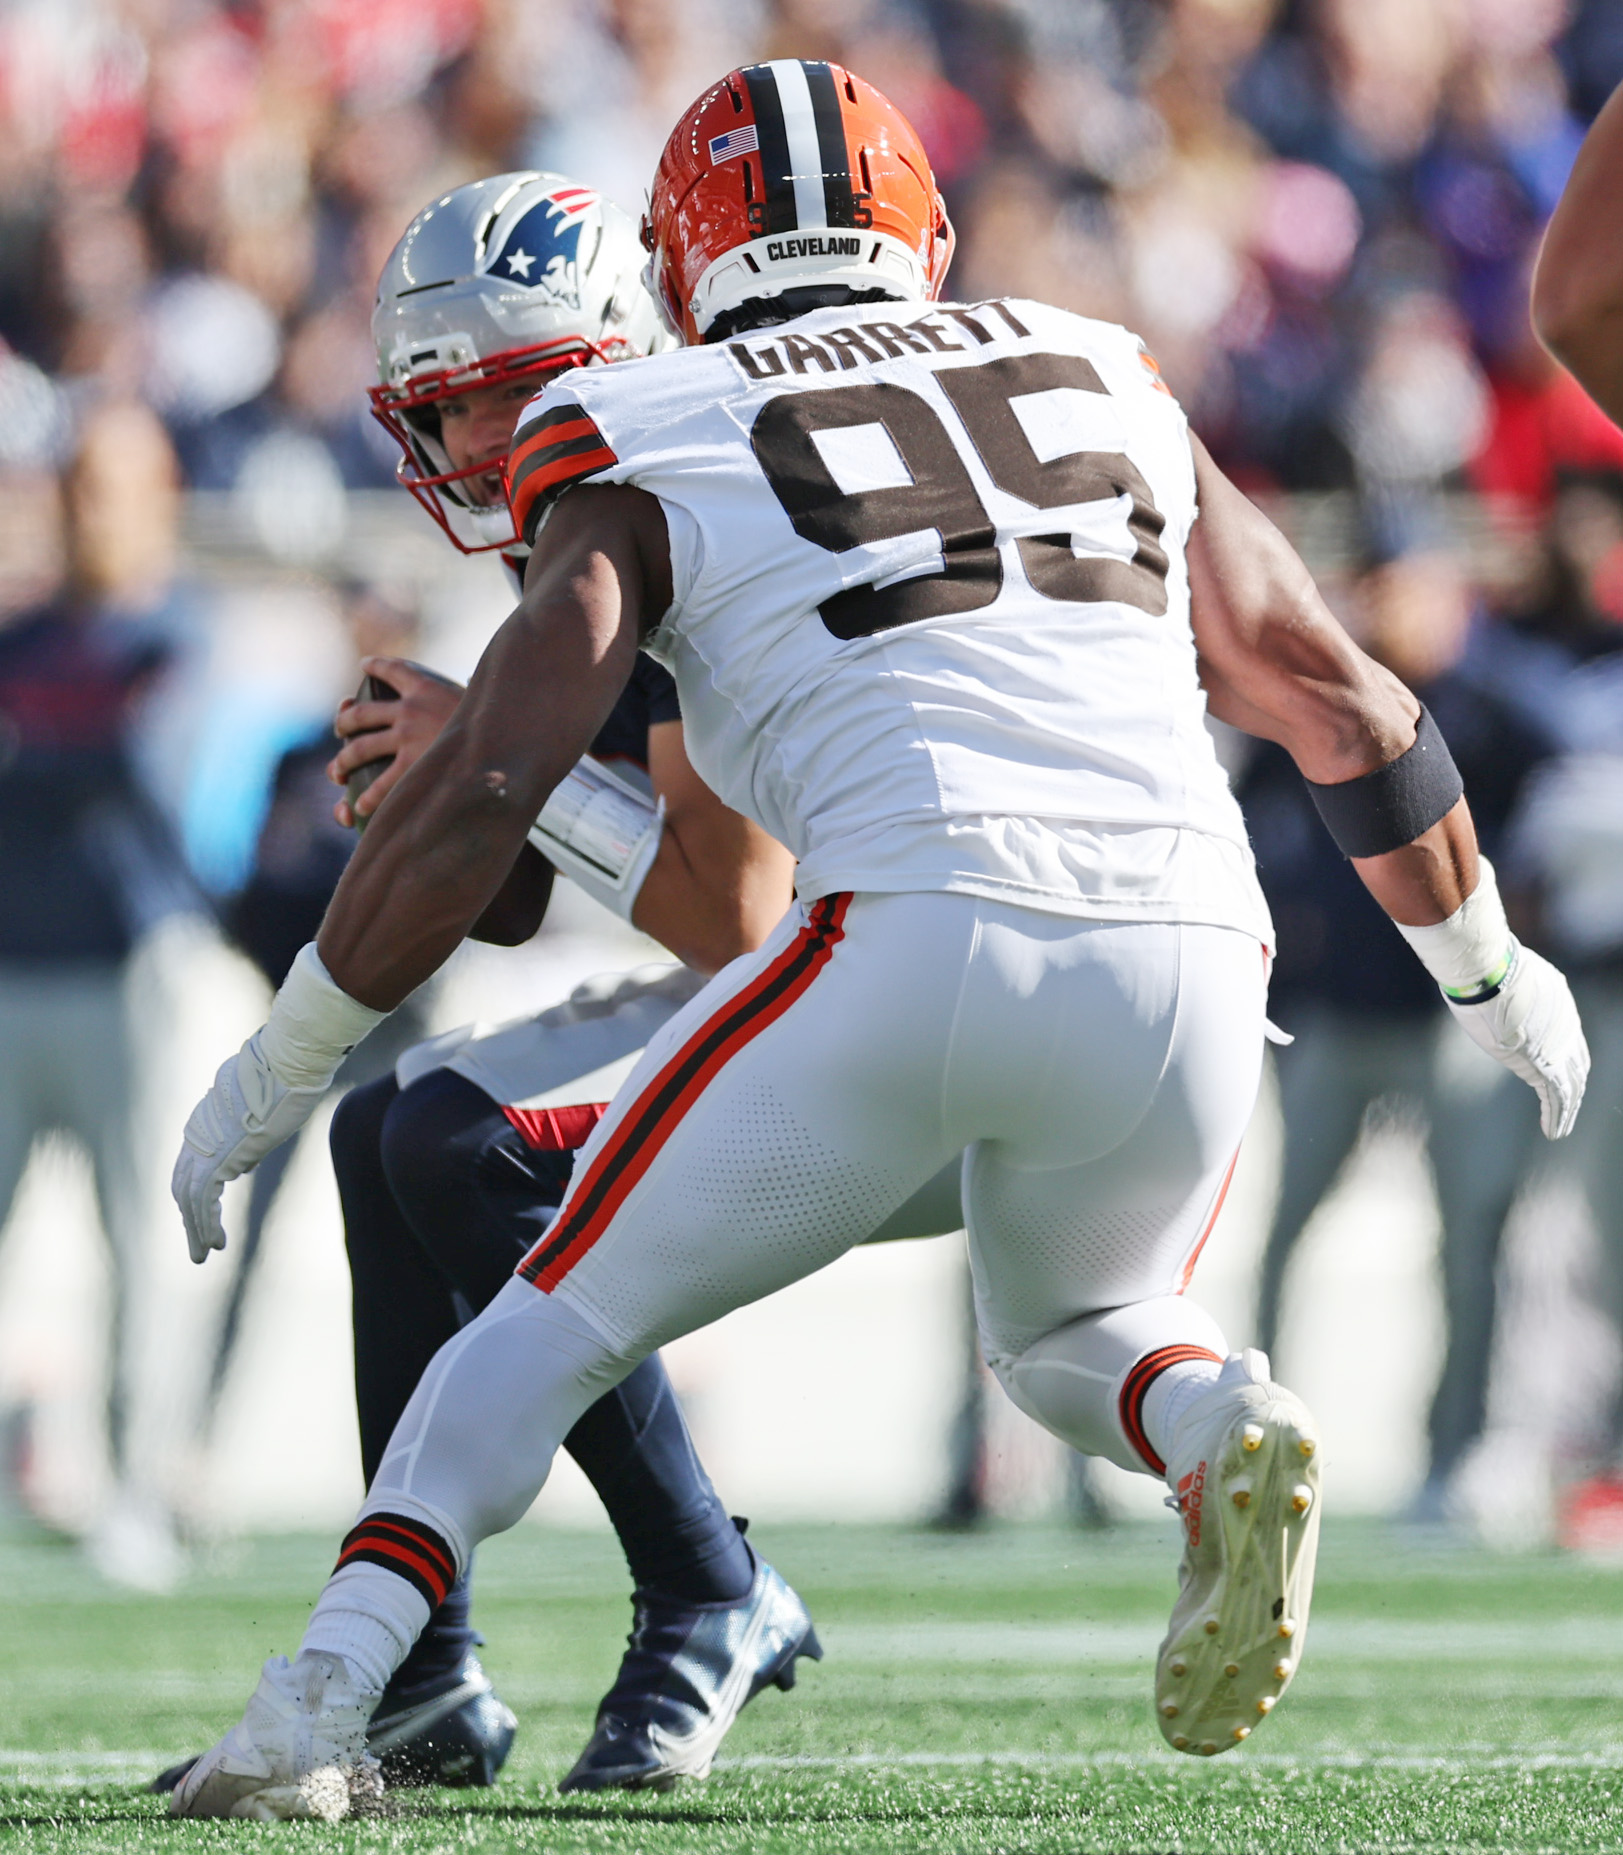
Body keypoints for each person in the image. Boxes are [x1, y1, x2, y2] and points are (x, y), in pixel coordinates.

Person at [168, 61, 1588, 1821]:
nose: (483, 447)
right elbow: (1337, 700)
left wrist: (270, 1065)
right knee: (1079, 1330)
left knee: (529, 1321)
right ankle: (1213, 1420)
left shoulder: (651, 425)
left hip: (898, 956)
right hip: (1196, 953)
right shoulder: (1099, 362)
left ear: (671, 279)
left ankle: (328, 1700)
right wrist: (1490, 974)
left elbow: (540, 817)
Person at [157, 174, 827, 1799]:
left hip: (876, 993)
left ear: (585, 368)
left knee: (457, 1140)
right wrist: (471, 783)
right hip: (830, 976)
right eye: (432, 410)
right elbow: (539, 894)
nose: (448, 451)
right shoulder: (594, 515)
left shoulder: (679, 496)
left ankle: (703, 1584)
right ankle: (428, 1676)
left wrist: (490, 761)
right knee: (382, 1132)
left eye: (472, 405)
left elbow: (732, 907)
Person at [1241, 548, 1554, 1522]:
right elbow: (1247, 816)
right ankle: (1255, 1436)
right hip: (1337, 1013)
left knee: (1469, 1243)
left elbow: (1555, 818)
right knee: (1283, 1233)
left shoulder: (1495, 715)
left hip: (1451, 1026)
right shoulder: (1320, 702)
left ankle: (1453, 1451)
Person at [0, 400, 201, 1591]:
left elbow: (149, 770)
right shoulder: (28, 640)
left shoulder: (170, 632)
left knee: (142, 1243)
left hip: (127, 974)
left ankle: (138, 1490)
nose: (88, 512)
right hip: (15, 969)